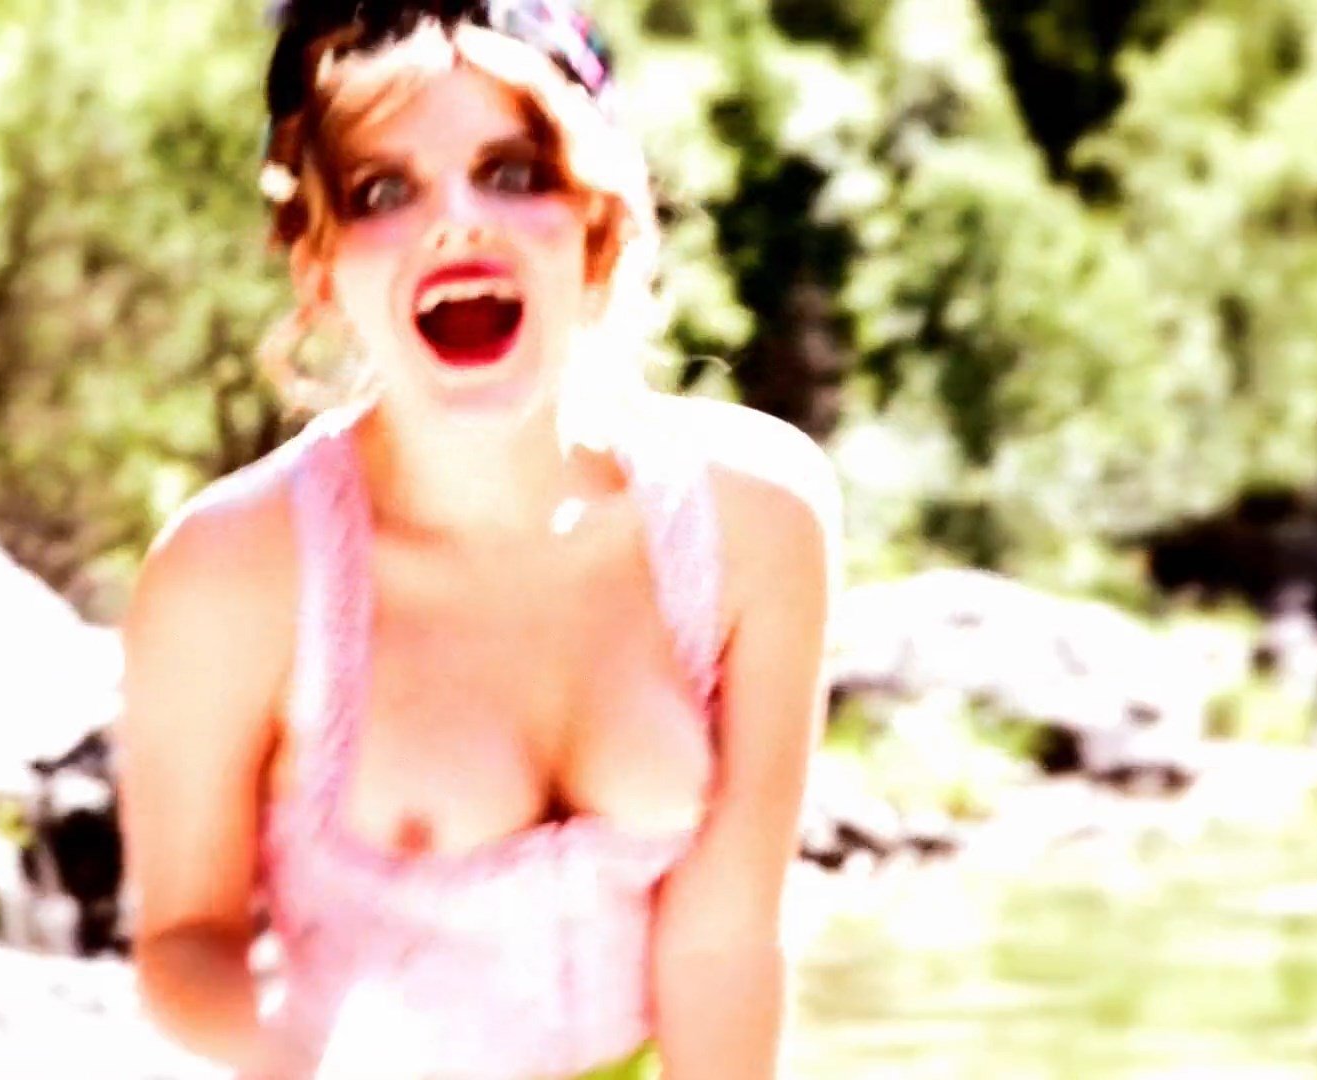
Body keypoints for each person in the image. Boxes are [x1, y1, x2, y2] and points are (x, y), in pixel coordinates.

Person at [117, 1, 841, 1076]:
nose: (456, 222)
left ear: (599, 219)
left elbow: (725, 941)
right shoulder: (228, 573)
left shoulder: (757, 517)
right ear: (317, 264)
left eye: (512, 173)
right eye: (381, 190)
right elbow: (184, 943)